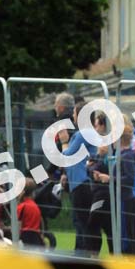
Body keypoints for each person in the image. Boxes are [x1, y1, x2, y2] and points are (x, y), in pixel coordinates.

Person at [85, 114, 135, 256]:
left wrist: (108, 178)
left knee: (96, 223)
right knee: (110, 226)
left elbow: (127, 177)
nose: (95, 128)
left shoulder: (123, 154)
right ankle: (113, 255)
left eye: (97, 125)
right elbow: (93, 166)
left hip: (109, 194)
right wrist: (94, 166)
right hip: (108, 193)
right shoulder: (109, 150)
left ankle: (97, 255)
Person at [58, 101, 97, 254]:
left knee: (83, 223)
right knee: (79, 221)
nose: (73, 116)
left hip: (82, 184)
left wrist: (64, 142)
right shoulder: (81, 134)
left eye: (74, 113)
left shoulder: (83, 134)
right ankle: (80, 253)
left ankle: (84, 256)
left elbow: (66, 155)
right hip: (78, 183)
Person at [17, 178, 44, 247]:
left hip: (25, 238)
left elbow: (18, 227)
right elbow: (41, 221)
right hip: (36, 237)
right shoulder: (35, 205)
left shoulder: (22, 206)